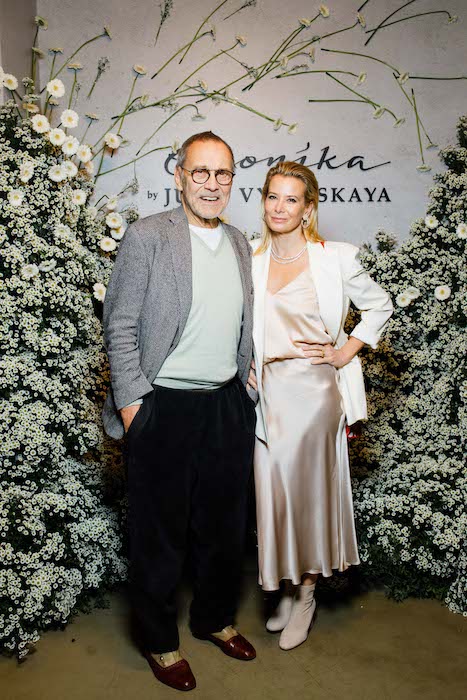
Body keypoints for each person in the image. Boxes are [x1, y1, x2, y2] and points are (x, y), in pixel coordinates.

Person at [102, 132, 257, 692]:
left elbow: (241, 319)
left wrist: (246, 382)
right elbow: (120, 322)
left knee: (225, 529)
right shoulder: (148, 235)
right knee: (159, 535)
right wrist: (132, 404)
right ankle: (159, 640)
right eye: (201, 172)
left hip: (226, 405)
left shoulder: (239, 241)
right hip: (162, 405)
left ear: (232, 180)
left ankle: (213, 618)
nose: (212, 184)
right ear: (180, 176)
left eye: (223, 173)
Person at [247, 161, 393, 651]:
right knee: (275, 497)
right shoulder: (251, 257)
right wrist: (244, 365)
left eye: (291, 199)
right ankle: (287, 587)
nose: (280, 207)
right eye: (273, 196)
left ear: (308, 209)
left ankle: (306, 595)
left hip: (313, 393)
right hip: (267, 395)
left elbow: (381, 305)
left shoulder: (336, 258)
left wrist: (345, 351)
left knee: (308, 497)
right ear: (263, 201)